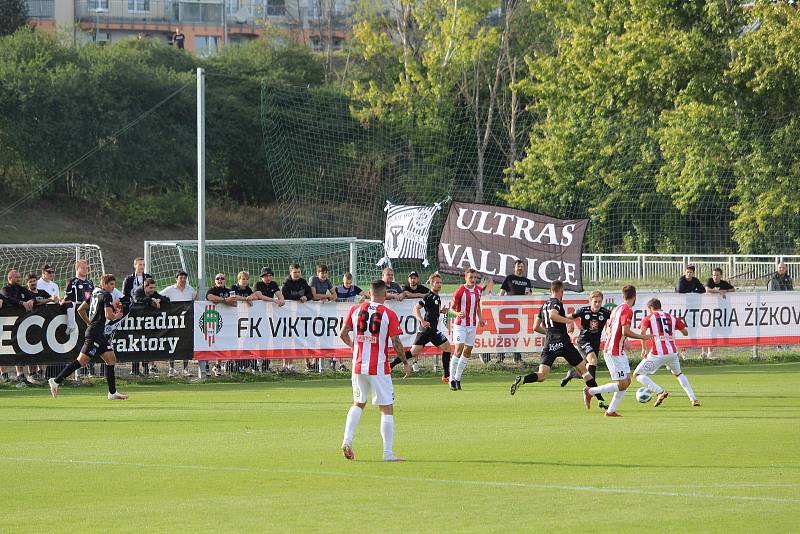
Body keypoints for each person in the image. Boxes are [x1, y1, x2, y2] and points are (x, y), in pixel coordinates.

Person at [339, 279, 409, 462]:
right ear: (384, 294)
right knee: (386, 408)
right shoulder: (388, 313)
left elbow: (342, 333)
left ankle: (347, 440)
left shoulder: (356, 309)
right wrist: (405, 362)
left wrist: (354, 348)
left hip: (358, 364)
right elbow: (396, 342)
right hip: (378, 367)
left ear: (369, 293)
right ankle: (387, 453)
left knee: (358, 403)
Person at [509, 280, 604, 405]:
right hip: (563, 342)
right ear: (561, 291)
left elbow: (535, 327)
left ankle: (523, 379)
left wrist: (548, 333)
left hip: (550, 342)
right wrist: (569, 322)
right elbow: (553, 315)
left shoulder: (543, 305)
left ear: (550, 290)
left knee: (542, 375)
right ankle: (600, 400)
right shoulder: (557, 303)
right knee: (583, 370)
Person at [48, 274, 128, 400]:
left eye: (114, 284)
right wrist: (116, 316)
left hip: (97, 333)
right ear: (104, 284)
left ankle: (112, 392)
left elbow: (81, 309)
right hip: (95, 333)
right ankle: (56, 381)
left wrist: (89, 322)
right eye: (111, 284)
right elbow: (108, 315)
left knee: (111, 359)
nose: (113, 287)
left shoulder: (96, 294)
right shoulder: (106, 295)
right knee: (82, 361)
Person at [584, 285, 652, 417]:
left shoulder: (617, 308)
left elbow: (611, 329)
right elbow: (624, 331)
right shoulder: (627, 310)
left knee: (627, 381)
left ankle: (610, 411)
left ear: (623, 296)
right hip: (613, 352)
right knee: (622, 384)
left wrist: (623, 341)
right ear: (635, 296)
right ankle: (590, 391)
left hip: (618, 350)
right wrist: (642, 336)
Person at [634, 298, 700, 407]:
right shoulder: (672, 317)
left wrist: (644, 349)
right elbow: (685, 332)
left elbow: (642, 332)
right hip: (672, 353)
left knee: (637, 374)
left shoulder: (649, 317)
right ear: (660, 306)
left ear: (651, 308)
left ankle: (660, 391)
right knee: (678, 374)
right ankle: (693, 398)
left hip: (657, 353)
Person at [391, 273, 451, 382]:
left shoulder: (437, 297)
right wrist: (422, 321)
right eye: (437, 282)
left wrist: (441, 311)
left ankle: (390, 365)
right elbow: (416, 309)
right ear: (432, 283)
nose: (439, 284)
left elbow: (432, 311)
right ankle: (446, 375)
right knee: (447, 348)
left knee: (413, 352)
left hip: (428, 331)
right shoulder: (428, 296)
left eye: (440, 282)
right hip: (428, 330)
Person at [558, 290, 611, 409]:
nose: (597, 304)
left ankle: (573, 374)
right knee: (593, 361)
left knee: (587, 370)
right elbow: (567, 317)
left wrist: (609, 330)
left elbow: (612, 323)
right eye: (595, 301)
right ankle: (595, 395)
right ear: (590, 301)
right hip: (583, 341)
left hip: (595, 343)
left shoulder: (605, 312)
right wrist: (569, 323)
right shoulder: (583, 311)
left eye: (599, 302)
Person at [447, 269, 487, 390]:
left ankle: (458, 378)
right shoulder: (460, 291)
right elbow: (450, 309)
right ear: (466, 277)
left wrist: (480, 318)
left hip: (472, 326)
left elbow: (478, 306)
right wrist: (457, 313)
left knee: (467, 352)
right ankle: (451, 379)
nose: (473, 280)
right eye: (471, 277)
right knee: (458, 350)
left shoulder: (478, 290)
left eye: (475, 278)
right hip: (460, 325)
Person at [160, 271, 196, 376]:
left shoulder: (190, 290)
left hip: (187, 322)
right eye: (181, 278)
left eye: (185, 278)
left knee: (186, 345)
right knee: (173, 344)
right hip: (173, 322)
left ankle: (185, 368)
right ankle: (171, 369)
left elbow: (196, 300)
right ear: (176, 279)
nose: (183, 280)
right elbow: (159, 295)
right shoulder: (170, 290)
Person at [122, 258, 154, 376]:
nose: (142, 266)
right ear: (135, 265)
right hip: (133, 312)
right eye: (140, 264)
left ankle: (146, 368)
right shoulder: (129, 279)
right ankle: (134, 368)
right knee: (134, 339)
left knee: (146, 339)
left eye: (143, 264)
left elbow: (153, 291)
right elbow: (124, 295)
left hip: (145, 311)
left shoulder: (148, 277)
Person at [500, 260, 533, 363]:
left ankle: (517, 357)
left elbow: (529, 295)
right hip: (507, 311)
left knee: (517, 334)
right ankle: (500, 358)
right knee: (504, 334)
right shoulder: (509, 278)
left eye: (522, 266)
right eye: (518, 266)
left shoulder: (527, 281)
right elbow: (501, 293)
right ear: (514, 267)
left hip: (520, 312)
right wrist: (499, 306)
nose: (520, 268)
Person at [206, 273, 237, 376]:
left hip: (228, 321)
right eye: (217, 278)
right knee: (210, 344)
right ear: (215, 280)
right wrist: (224, 300)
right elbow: (210, 297)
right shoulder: (212, 290)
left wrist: (220, 301)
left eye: (222, 278)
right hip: (214, 320)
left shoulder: (229, 291)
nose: (220, 280)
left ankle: (218, 366)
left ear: (225, 280)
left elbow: (234, 302)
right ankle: (206, 367)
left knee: (224, 343)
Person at [702, 268, 735, 357]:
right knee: (706, 331)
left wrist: (726, 291)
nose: (715, 277)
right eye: (714, 275)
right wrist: (718, 291)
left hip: (719, 311)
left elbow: (733, 289)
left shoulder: (724, 283)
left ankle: (710, 352)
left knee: (713, 331)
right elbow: (707, 290)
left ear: (721, 276)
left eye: (717, 275)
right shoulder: (710, 281)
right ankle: (703, 353)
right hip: (708, 310)